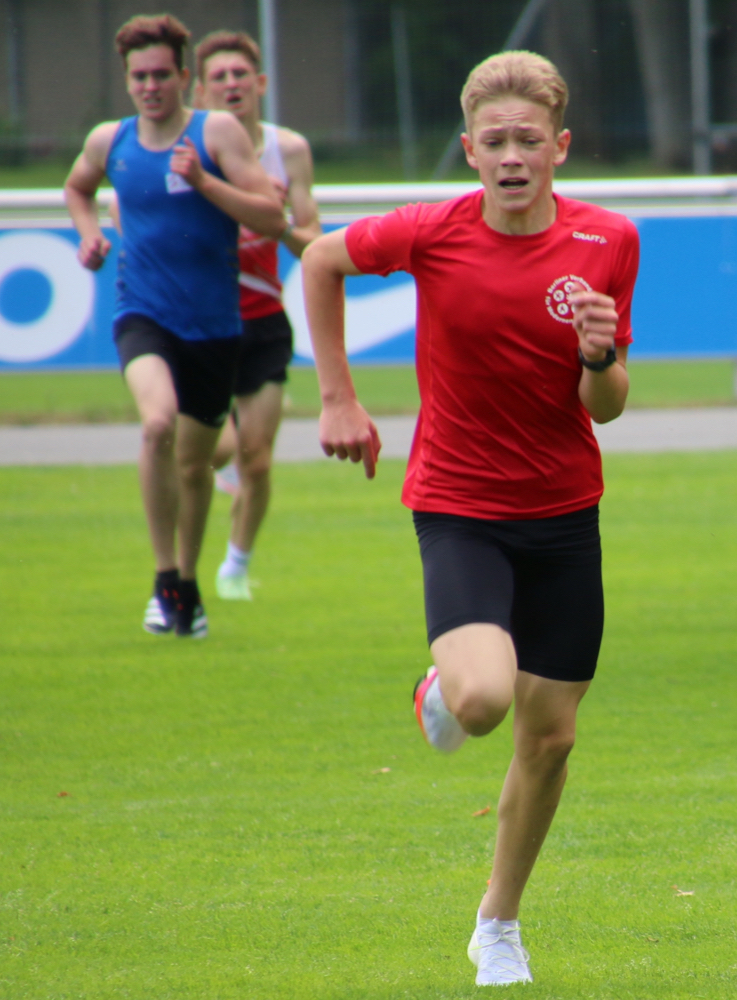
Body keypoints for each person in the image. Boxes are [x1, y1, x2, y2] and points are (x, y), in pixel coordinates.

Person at [302, 51, 637, 988]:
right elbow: (322, 260)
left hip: (565, 511)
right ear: (469, 150)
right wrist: (337, 398)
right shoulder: (430, 232)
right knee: (485, 703)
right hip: (460, 506)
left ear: (560, 147)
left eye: (529, 139)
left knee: (553, 737)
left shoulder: (609, 240)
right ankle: (445, 687)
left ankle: (499, 924)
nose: (512, 155)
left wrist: (600, 357)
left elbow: (607, 406)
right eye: (495, 141)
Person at [66, 14, 285, 637]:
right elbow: (78, 189)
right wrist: (89, 235)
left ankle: (186, 584)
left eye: (162, 75)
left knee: (195, 467)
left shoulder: (215, 133)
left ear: (185, 77)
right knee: (157, 422)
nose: (150, 86)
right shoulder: (110, 140)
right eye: (139, 77)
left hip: (215, 328)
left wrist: (203, 181)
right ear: (127, 81)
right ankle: (165, 577)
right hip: (143, 313)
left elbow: (270, 217)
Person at [188, 29, 323, 601]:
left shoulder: (288, 150)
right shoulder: (186, 149)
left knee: (258, 461)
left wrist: (275, 218)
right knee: (206, 448)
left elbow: (312, 243)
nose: (231, 85)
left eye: (240, 74)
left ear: (260, 82)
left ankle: (235, 567)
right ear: (199, 91)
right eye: (218, 77)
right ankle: (217, 473)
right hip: (197, 320)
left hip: (263, 319)